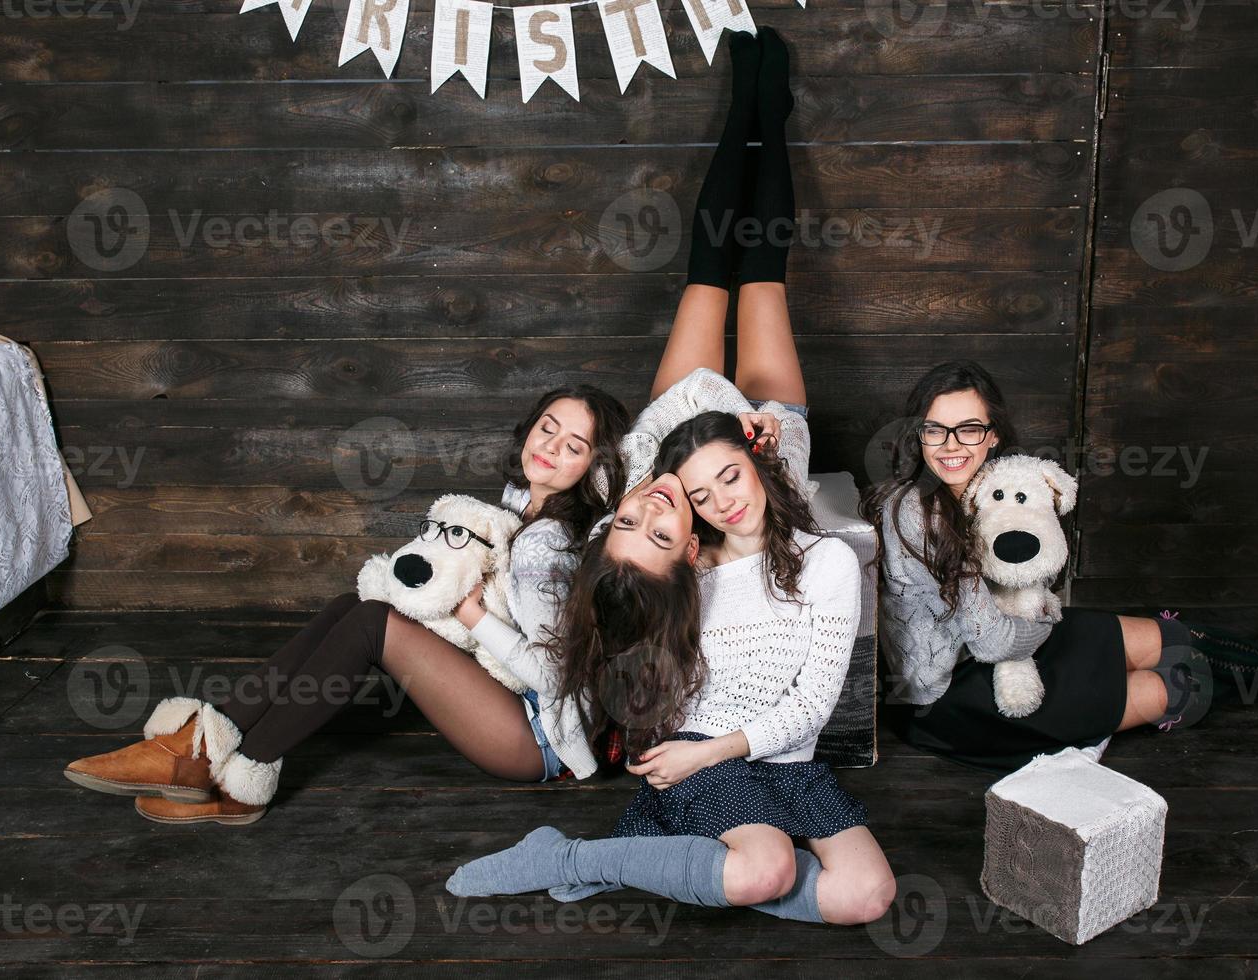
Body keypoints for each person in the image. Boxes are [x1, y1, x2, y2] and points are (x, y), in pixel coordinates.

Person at [443, 29, 897, 926]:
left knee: (731, 269)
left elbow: (608, 525)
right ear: (686, 545)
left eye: (646, 525)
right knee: (743, 274)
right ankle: (751, 105)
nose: (655, 523)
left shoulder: (630, 507)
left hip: (700, 441)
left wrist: (693, 474)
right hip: (757, 454)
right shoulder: (679, 557)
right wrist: (738, 471)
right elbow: (639, 598)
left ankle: (757, 112)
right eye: (666, 526)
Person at [63, 385, 630, 823]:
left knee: (368, 624)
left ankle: (235, 772)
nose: (550, 447)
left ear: (594, 468)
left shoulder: (545, 547)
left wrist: (474, 617)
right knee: (349, 605)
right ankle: (205, 745)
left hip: (537, 738)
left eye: (573, 445)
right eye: (546, 428)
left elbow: (558, 674)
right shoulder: (519, 505)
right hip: (507, 699)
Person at [865, 358, 1258, 774]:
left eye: (969, 428)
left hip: (1006, 635)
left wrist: (1039, 606)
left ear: (993, 436)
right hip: (955, 698)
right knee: (1169, 686)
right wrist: (1050, 614)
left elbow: (1024, 576)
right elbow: (995, 642)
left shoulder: (990, 486)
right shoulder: (917, 510)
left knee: (1172, 637)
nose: (952, 445)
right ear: (918, 434)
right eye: (935, 429)